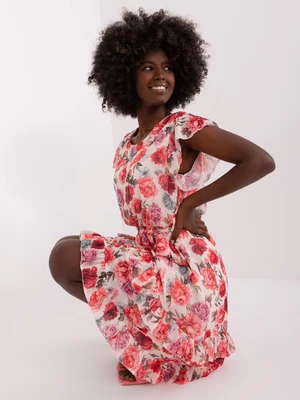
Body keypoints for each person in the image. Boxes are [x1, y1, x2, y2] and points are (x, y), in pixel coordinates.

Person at [48, 8, 275, 386]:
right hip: (150, 253)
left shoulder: (182, 128)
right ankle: (145, 344)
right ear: (124, 76)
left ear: (180, 74)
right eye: (147, 67)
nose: (160, 76)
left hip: (184, 268)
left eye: (168, 67)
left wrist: (189, 204)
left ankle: (163, 348)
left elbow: (260, 161)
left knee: (66, 256)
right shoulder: (127, 144)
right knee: (66, 250)